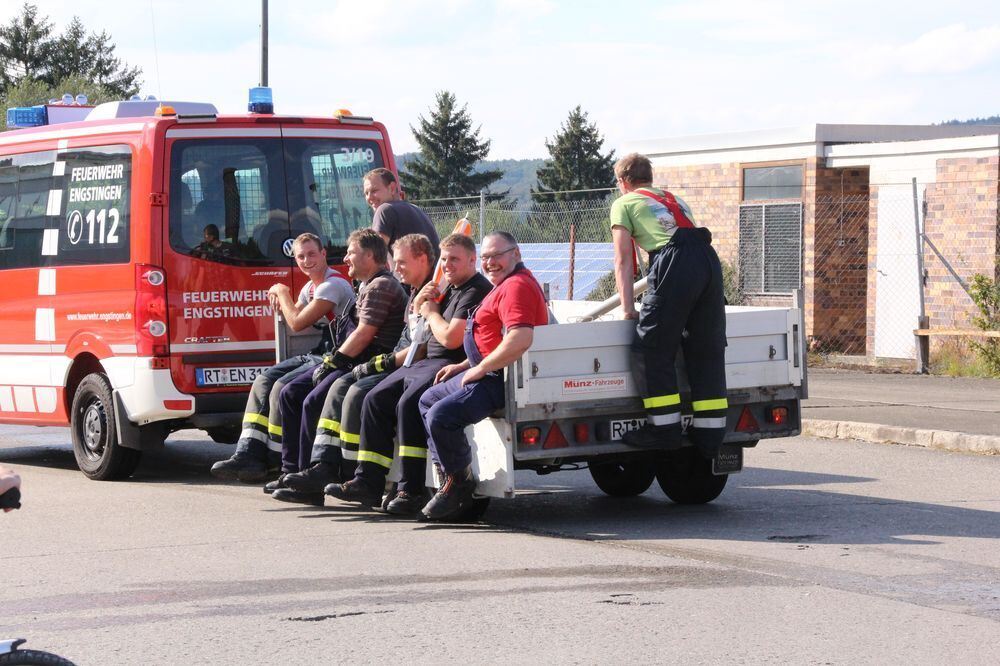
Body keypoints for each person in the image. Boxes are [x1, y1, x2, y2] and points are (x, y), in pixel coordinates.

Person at [325, 233, 493, 514]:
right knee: (375, 398)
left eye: (455, 259)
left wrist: (430, 312)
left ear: (472, 260)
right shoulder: (448, 287)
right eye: (445, 259)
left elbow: (451, 339)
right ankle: (368, 480)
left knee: (407, 404)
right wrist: (422, 305)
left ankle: (410, 489)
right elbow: (420, 330)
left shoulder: (475, 290)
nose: (448, 265)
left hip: (448, 362)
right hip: (422, 361)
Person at [274, 233, 439, 506]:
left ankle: (338, 472)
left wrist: (335, 362)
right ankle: (304, 471)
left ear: (370, 256)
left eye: (351, 252)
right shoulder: (393, 288)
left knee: (338, 393)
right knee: (296, 393)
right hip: (378, 360)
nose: (346, 258)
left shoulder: (381, 287)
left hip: (377, 360)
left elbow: (365, 334)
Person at [418, 232, 549, 521]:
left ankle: (459, 487)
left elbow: (519, 338)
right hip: (484, 369)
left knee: (442, 416)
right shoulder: (503, 284)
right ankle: (450, 476)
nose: (490, 263)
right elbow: (493, 339)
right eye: (486, 257)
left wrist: (479, 368)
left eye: (497, 255)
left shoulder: (516, 287)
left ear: (516, 254)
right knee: (427, 399)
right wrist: (465, 364)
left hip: (499, 379)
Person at [609, 153, 728, 457]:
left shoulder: (624, 203)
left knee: (651, 345)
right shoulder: (672, 198)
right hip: (707, 259)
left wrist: (627, 308)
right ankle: (709, 434)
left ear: (623, 181)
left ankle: (663, 429)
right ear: (648, 177)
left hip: (674, 260)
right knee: (705, 347)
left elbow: (623, 259)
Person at [210, 232, 354, 483]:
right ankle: (247, 453)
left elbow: (297, 323)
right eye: (301, 256)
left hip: (337, 354)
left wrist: (280, 290)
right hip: (321, 350)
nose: (307, 260)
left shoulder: (334, 285)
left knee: (281, 388)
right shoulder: (311, 287)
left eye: (312, 254)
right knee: (263, 380)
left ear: (323, 254)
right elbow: (294, 312)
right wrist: (282, 299)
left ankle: (276, 461)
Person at [364, 168, 439, 257]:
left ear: (391, 188)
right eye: (366, 193)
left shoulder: (385, 209)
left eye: (374, 191)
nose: (369, 197)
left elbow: (374, 256)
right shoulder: (417, 209)